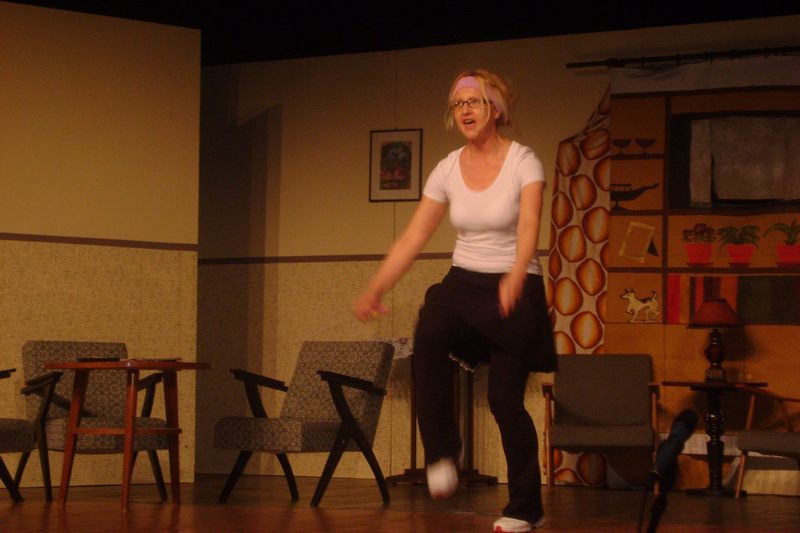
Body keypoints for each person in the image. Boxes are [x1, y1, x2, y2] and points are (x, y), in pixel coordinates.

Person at [353, 69, 556, 533]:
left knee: (505, 401)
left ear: (496, 110)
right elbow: (414, 236)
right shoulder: (447, 167)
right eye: (458, 103)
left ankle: (526, 509)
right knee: (429, 330)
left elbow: (529, 224)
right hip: (464, 282)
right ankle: (443, 452)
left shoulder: (523, 161)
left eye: (474, 101)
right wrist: (376, 286)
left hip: (516, 284)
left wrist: (514, 273)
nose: (465, 109)